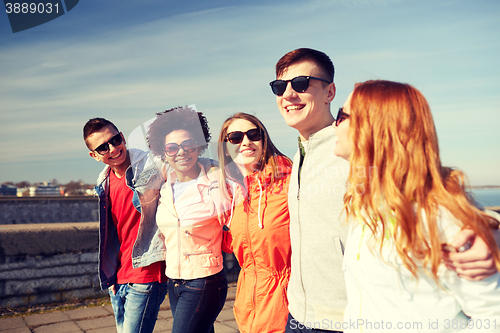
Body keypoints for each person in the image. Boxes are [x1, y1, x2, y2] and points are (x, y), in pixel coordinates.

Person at [270, 48, 499, 333]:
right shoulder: (303, 157)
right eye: (280, 86)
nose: (288, 94)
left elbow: (435, 195)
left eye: (301, 83)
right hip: (303, 313)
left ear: (330, 92)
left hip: (335, 320)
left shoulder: (349, 155)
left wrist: (490, 233)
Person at [335, 79, 500, 332]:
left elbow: (493, 315)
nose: (335, 126)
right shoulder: (366, 206)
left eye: (341, 116)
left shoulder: (438, 216)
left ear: (373, 129)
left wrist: (492, 229)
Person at [146, 106, 229, 333]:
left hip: (204, 279)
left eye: (188, 145)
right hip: (174, 279)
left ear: (198, 146)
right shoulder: (164, 186)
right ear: (163, 153)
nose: (181, 152)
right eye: (172, 148)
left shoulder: (216, 180)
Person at [83, 118, 168, 333]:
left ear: (122, 136)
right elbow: (113, 233)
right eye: (103, 147)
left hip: (146, 271)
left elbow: (189, 165)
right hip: (118, 277)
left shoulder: (151, 165)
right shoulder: (104, 182)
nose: (113, 148)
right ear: (94, 156)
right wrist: (112, 274)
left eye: (115, 140)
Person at [217, 113, 293, 333]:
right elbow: (238, 245)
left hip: (286, 312)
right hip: (247, 310)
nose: (246, 142)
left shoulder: (288, 184)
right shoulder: (234, 194)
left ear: (264, 139)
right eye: (235, 138)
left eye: (253, 134)